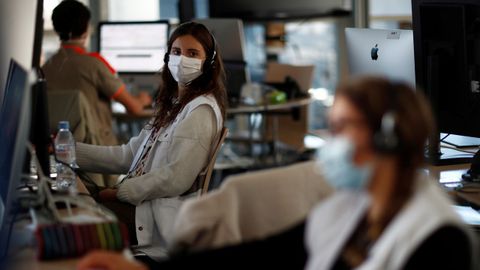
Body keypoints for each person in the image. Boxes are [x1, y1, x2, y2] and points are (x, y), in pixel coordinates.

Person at [77, 77, 477, 270]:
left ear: (388, 140)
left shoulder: (438, 239)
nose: (330, 140)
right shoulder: (352, 205)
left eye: (342, 128)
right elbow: (262, 255)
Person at [74, 20, 227, 263]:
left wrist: (120, 192)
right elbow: (128, 156)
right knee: (74, 204)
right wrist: (69, 152)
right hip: (138, 206)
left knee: (76, 226)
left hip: (153, 218)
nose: (182, 59)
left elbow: (176, 178)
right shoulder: (173, 105)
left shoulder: (200, 112)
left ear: (208, 62)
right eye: (176, 52)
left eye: (192, 53)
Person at [42, 0, 152, 148]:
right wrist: (143, 99)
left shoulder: (45, 69)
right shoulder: (94, 64)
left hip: (62, 151)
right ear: (87, 29)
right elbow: (134, 108)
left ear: (56, 30)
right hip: (99, 152)